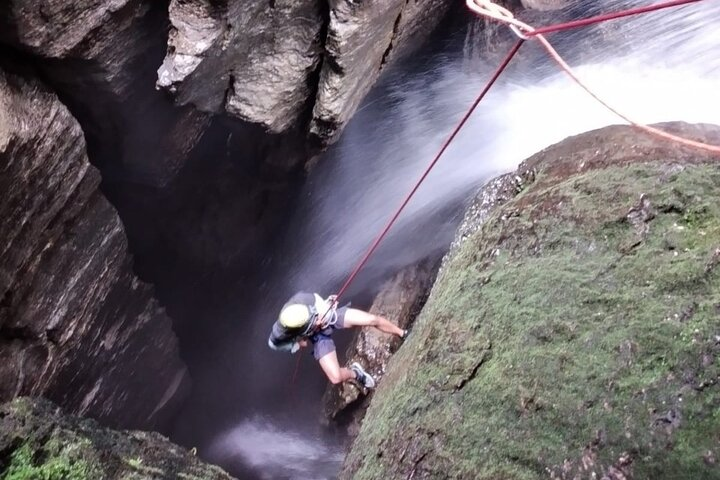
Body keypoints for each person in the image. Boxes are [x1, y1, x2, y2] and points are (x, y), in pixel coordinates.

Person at [267, 292, 406, 389]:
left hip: (328, 318)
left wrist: (327, 307)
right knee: (335, 377)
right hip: (316, 337)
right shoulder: (279, 334)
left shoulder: (304, 299)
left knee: (371, 319)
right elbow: (273, 345)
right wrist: (296, 344)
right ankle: (356, 373)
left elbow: (322, 306)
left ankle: (402, 333)